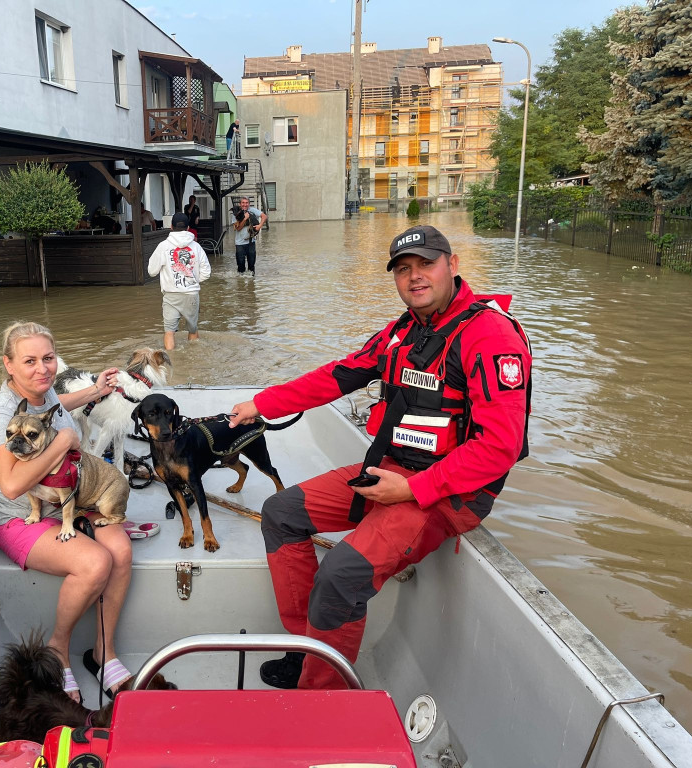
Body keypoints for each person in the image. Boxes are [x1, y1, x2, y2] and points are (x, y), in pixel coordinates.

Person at [228, 225, 532, 690]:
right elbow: (338, 376)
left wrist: (412, 488)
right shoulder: (403, 331)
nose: (414, 277)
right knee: (281, 513)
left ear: (452, 265)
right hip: (391, 472)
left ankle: (323, 696)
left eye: (426, 264)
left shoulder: (489, 335)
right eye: (403, 270)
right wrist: (262, 404)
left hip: (445, 494)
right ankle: (307, 646)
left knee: (341, 574)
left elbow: (500, 447)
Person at [0, 321, 134, 703]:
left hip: (71, 499)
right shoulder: (2, 416)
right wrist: (64, 441)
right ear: (9, 365)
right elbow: (13, 485)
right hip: (24, 516)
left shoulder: (43, 394)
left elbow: (55, 407)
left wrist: (94, 391)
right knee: (96, 563)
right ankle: (58, 650)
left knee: (120, 551)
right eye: (29, 361)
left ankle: (104, 651)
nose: (43, 369)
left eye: (48, 358)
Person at [148, 212, 211, 351]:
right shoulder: (196, 247)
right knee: (193, 330)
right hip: (191, 294)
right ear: (188, 228)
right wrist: (193, 281)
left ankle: (173, 362)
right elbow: (206, 273)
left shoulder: (163, 246)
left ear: (171, 227)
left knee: (169, 332)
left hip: (171, 295)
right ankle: (194, 360)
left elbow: (151, 271)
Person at [233, 197, 267, 277]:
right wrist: (245, 219)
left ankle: (251, 286)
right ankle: (241, 286)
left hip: (251, 242)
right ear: (240, 204)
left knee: (251, 266)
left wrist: (260, 226)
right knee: (241, 267)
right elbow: (238, 228)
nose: (245, 204)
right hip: (239, 243)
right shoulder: (235, 213)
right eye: (243, 203)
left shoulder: (252, 210)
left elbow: (264, 216)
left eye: (246, 203)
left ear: (249, 204)